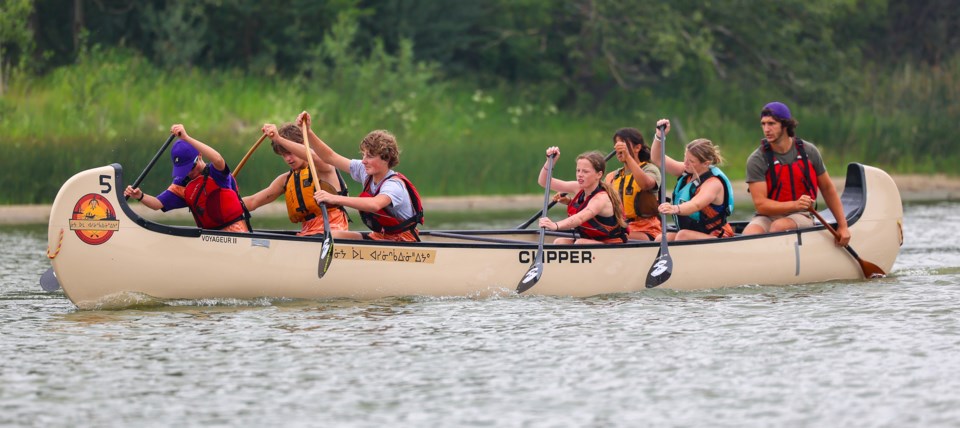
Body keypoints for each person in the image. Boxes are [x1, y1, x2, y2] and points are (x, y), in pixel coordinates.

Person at [299, 111, 424, 242]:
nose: (364, 161)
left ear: (386, 159)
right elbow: (330, 157)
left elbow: (375, 204)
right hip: (380, 237)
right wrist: (308, 132)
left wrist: (334, 198)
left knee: (331, 237)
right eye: (363, 155)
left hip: (402, 240)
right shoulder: (365, 170)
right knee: (327, 236)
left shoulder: (393, 185)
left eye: (369, 156)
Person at [741, 101, 850, 246]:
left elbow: (828, 189)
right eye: (763, 124)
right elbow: (761, 205)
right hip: (767, 216)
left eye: (771, 123)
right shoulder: (756, 159)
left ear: (785, 125)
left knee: (778, 227)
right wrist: (794, 204)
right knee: (749, 235)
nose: (766, 129)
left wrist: (843, 226)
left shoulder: (809, 151)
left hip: (802, 214)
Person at [123, 124, 250, 232]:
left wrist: (186, 138)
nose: (189, 173)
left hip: (236, 232)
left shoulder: (216, 173)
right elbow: (157, 204)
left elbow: (218, 159)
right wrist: (140, 196)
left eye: (191, 167)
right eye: (184, 170)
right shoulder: (182, 184)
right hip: (208, 238)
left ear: (199, 156)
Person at [241, 122, 350, 236]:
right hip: (307, 232)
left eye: (290, 152)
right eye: (284, 155)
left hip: (332, 231)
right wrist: (224, 206)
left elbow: (315, 157)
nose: (288, 159)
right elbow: (254, 201)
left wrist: (278, 139)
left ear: (302, 145)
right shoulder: (285, 180)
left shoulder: (323, 168)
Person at [651, 119, 735, 241]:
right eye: (685, 158)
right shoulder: (687, 171)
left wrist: (674, 208)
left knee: (683, 235)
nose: (685, 163)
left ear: (705, 163)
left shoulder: (714, 183)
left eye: (691, 161)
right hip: (692, 233)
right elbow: (657, 158)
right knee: (660, 238)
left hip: (716, 237)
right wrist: (659, 136)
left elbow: (696, 204)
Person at [538, 147, 627, 244]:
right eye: (578, 170)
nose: (580, 175)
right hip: (590, 240)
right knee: (560, 242)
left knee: (580, 243)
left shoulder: (601, 198)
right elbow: (544, 182)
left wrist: (555, 225)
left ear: (599, 174)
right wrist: (550, 161)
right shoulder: (579, 188)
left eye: (585, 171)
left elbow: (580, 218)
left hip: (611, 243)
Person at [603, 127, 662, 241]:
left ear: (637, 147)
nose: (618, 148)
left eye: (623, 144)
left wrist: (628, 157)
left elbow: (645, 184)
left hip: (646, 230)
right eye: (616, 144)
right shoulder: (612, 176)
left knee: (613, 236)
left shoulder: (650, 169)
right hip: (620, 228)